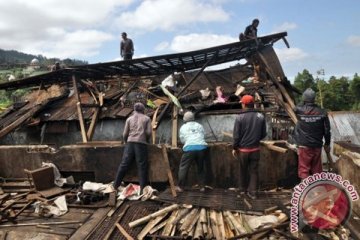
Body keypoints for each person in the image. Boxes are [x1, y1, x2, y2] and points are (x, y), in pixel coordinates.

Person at [232, 95, 266, 199]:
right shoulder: (260, 116)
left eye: (242, 103)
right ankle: (253, 193)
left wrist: (234, 147)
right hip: (255, 149)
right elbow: (263, 134)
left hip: (243, 151)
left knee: (242, 170)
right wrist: (255, 139)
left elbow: (236, 136)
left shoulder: (239, 118)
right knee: (253, 171)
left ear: (244, 104)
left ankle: (242, 190)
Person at [113, 102, 152, 193]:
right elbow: (149, 133)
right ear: (143, 110)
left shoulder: (129, 119)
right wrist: (147, 140)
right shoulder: (147, 118)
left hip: (130, 143)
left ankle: (115, 185)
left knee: (124, 164)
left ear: (134, 109)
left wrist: (126, 142)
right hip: (141, 143)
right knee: (142, 165)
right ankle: (142, 189)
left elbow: (125, 134)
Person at [294, 88, 331, 179]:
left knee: (304, 170)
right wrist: (327, 143)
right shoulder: (322, 112)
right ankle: (317, 191)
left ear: (304, 98)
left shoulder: (299, 110)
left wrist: (303, 103)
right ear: (314, 98)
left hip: (304, 146)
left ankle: (305, 191)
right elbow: (327, 130)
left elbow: (295, 108)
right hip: (317, 145)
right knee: (317, 171)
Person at [177, 111, 212, 192]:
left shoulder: (183, 127)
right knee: (201, 168)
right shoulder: (199, 125)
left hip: (189, 149)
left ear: (184, 119)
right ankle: (202, 187)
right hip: (201, 148)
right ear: (193, 118)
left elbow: (182, 140)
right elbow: (203, 135)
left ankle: (180, 187)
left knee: (183, 168)